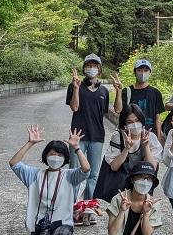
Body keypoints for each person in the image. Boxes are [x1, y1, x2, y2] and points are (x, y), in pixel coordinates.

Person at [9, 125, 90, 235]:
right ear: (46, 156)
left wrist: (77, 148)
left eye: (60, 155)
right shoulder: (35, 175)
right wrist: (30, 143)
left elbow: (85, 169)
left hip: (61, 224)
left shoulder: (69, 175)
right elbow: (14, 163)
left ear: (65, 158)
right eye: (52, 154)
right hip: (41, 225)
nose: (56, 158)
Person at [93, 103, 162, 206]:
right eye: (130, 122)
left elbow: (152, 167)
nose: (134, 124)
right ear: (124, 124)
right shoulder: (118, 137)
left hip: (142, 184)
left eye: (137, 121)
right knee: (122, 212)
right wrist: (126, 148)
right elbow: (114, 166)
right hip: (122, 185)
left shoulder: (150, 137)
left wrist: (146, 146)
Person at [66, 53, 109, 210]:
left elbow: (105, 112)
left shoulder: (104, 91)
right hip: (77, 136)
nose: (91, 69)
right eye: (88, 66)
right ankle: (70, 205)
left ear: (99, 69)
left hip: (97, 137)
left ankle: (88, 206)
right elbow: (74, 107)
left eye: (94, 66)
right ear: (84, 69)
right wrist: (76, 89)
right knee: (75, 171)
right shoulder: (74, 86)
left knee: (93, 174)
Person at [112, 59, 165, 141]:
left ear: (150, 73)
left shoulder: (156, 93)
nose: (142, 73)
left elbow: (157, 117)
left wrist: (158, 137)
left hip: (150, 135)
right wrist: (118, 91)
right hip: (130, 136)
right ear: (134, 72)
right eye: (139, 70)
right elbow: (118, 110)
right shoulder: (127, 91)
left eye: (146, 70)